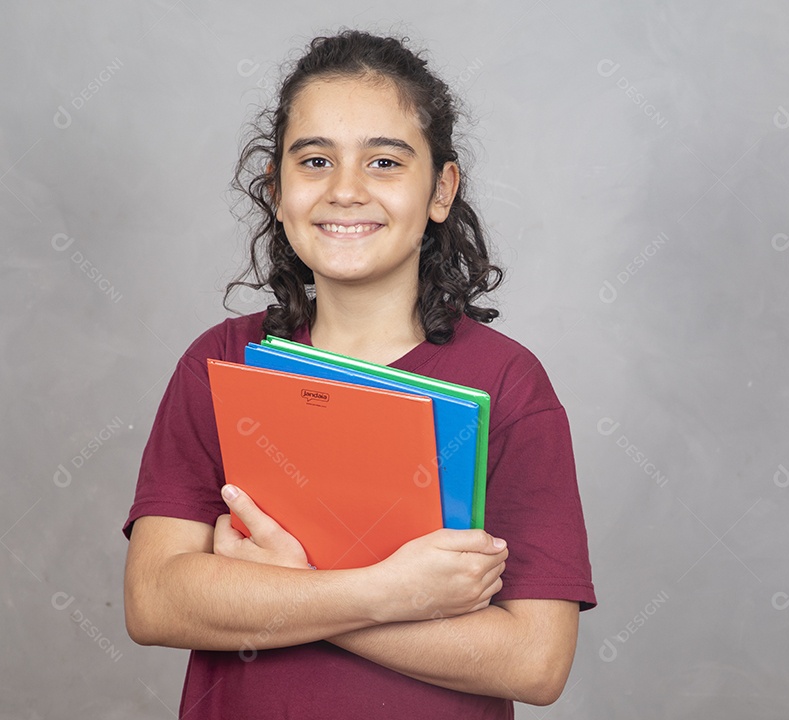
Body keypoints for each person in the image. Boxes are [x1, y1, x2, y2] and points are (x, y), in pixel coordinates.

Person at [122, 29, 596, 719]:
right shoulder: (218, 363)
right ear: (277, 193)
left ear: (441, 189)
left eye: (383, 162)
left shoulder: (509, 385)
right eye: (315, 160)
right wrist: (389, 592)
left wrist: (284, 586)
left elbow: (536, 659)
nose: (345, 191)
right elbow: (156, 601)